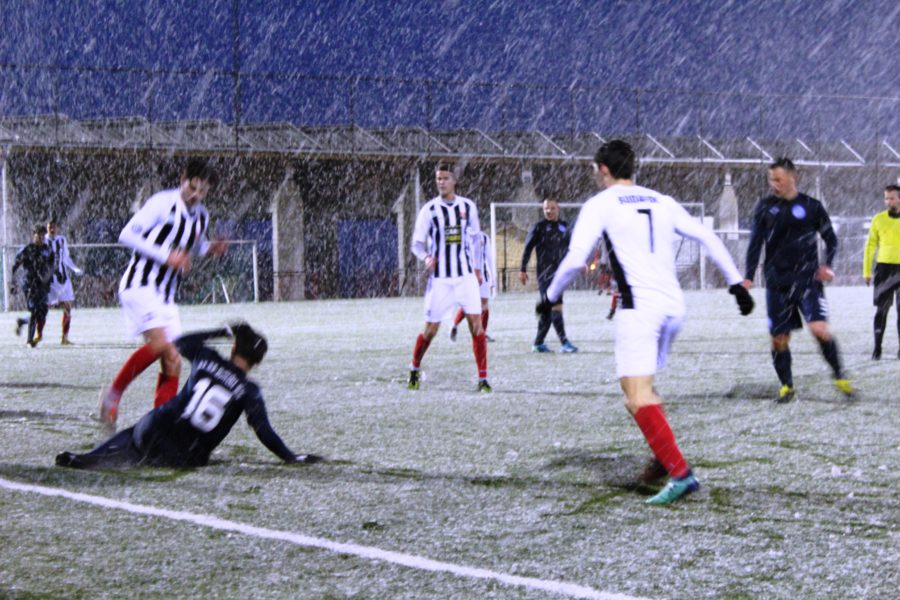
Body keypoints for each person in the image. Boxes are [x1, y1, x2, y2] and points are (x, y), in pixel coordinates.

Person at [539, 140, 754, 505]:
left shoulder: (601, 204)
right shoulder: (661, 200)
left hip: (640, 310)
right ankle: (661, 458)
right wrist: (736, 283)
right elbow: (706, 235)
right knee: (640, 391)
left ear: (603, 169)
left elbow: (576, 259)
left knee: (637, 395)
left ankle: (680, 474)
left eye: (594, 169)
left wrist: (548, 297)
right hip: (673, 307)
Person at [57, 323, 321, 469]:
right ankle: (115, 459)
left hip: (154, 428)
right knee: (145, 457)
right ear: (257, 362)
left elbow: (181, 341)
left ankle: (89, 458)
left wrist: (220, 331)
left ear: (233, 348)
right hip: (184, 454)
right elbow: (265, 432)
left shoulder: (206, 357)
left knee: (134, 435)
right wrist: (290, 456)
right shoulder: (249, 391)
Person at [98, 158, 227, 431]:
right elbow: (127, 235)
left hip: (166, 295)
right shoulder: (161, 203)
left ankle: (158, 426)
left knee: (173, 359)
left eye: (203, 191)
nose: (196, 195)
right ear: (183, 180)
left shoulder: (201, 216)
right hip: (140, 284)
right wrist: (166, 256)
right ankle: (112, 395)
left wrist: (209, 248)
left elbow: (192, 246)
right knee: (161, 345)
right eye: (193, 188)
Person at [743, 157, 853, 402]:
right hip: (777, 283)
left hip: (808, 280)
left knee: (819, 329)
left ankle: (839, 376)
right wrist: (748, 276)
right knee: (779, 338)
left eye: (779, 179)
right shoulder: (764, 207)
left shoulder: (812, 206)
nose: (774, 184)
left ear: (792, 178)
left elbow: (831, 239)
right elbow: (755, 243)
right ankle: (787, 386)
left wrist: (828, 264)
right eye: (771, 180)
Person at [408, 163, 490, 392]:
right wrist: (426, 257)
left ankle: (483, 379)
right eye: (438, 179)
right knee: (430, 330)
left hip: (465, 277)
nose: (441, 182)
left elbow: (476, 240)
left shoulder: (467, 206)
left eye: (445, 178)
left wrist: (477, 269)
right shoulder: (429, 210)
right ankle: (414, 368)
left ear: (454, 180)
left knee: (477, 327)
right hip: (440, 280)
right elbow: (416, 244)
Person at [520, 198, 578, 353]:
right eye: (546, 208)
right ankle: (564, 343)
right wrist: (523, 269)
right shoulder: (538, 227)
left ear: (558, 209)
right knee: (556, 305)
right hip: (545, 274)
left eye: (552, 208)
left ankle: (538, 343)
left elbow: (572, 247)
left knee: (547, 310)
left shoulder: (564, 226)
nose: (549, 211)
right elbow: (527, 248)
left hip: (561, 273)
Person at [863, 184, 900, 360]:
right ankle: (877, 348)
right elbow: (870, 245)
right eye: (886, 198)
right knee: (881, 311)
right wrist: (866, 271)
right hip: (884, 269)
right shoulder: (878, 219)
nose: (888, 201)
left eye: (892, 198)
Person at [11, 224, 56, 348]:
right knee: (35, 310)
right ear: (33, 235)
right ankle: (29, 340)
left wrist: (50, 277)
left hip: (43, 285)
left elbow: (52, 266)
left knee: (43, 312)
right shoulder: (27, 249)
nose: (40, 238)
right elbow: (15, 266)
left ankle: (22, 322)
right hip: (30, 285)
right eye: (38, 235)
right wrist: (13, 283)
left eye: (42, 235)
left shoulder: (48, 250)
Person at [450, 229, 494, 343]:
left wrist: (493, 279)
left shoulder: (483, 237)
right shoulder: (464, 237)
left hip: (480, 277)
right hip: (471, 277)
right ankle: (456, 325)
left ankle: (480, 333)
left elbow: (489, 258)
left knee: (481, 305)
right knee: (473, 305)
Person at [46, 218, 84, 345]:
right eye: (50, 227)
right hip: (50, 280)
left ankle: (65, 337)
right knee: (42, 308)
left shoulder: (62, 240)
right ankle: (26, 323)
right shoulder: (44, 241)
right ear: (47, 228)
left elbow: (66, 258)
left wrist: (75, 268)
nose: (52, 229)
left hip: (63, 279)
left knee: (68, 306)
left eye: (54, 227)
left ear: (57, 228)